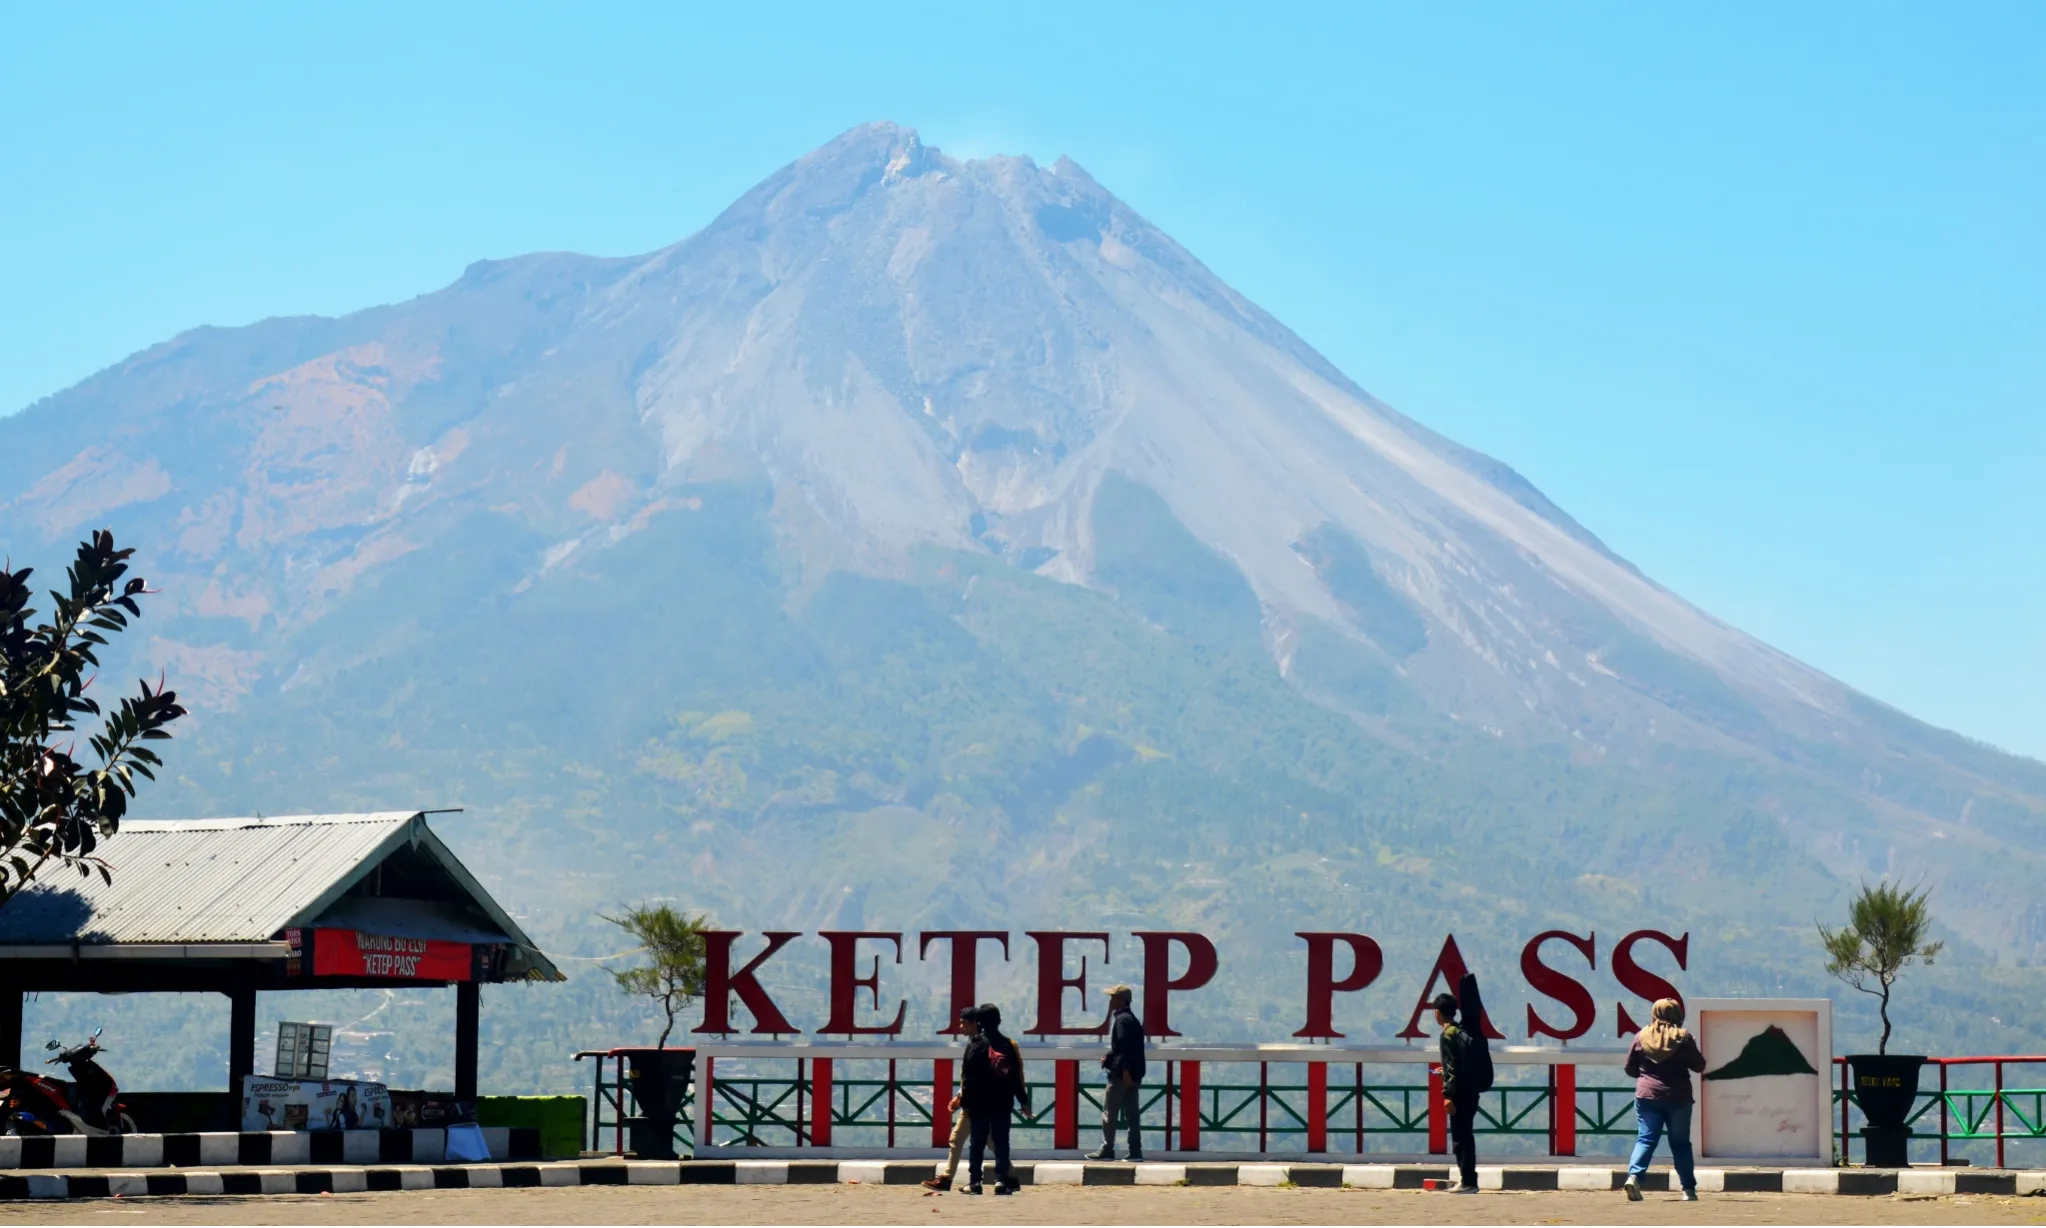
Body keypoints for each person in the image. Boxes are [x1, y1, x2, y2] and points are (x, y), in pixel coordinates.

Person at [1623, 998, 1706, 1202]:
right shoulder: (1683, 1038)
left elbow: (1629, 1068)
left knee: (1646, 1138)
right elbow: (1699, 1065)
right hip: (1678, 1097)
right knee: (1680, 1144)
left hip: (1647, 1096)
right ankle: (1688, 1189)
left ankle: (1634, 1177)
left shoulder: (1641, 1036)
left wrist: (1646, 1077)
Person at [959, 1003, 1027, 1195]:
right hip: (1002, 1103)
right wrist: (1023, 1101)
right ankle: (1001, 1182)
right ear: (999, 1021)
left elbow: (967, 1076)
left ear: (979, 1022)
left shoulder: (975, 1044)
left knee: (977, 1143)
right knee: (1002, 1143)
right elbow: (1017, 1077)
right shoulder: (1008, 1045)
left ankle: (974, 1183)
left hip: (979, 1103)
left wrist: (965, 1103)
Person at [1084, 984, 1147, 1160]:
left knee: (1109, 1112)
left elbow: (1123, 1048)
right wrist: (1109, 1056)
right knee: (1133, 1114)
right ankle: (1135, 1151)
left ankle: (1107, 1149)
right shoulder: (1132, 1019)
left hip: (1121, 1076)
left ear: (1120, 1000)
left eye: (1113, 997)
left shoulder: (1121, 1020)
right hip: (1134, 1074)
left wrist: (1124, 1072)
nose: (1110, 1001)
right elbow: (1125, 1047)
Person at [921, 1008, 976, 1192]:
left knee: (989, 1143)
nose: (961, 1027)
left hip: (976, 1104)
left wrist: (959, 1098)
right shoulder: (977, 1044)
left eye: (964, 1023)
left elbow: (972, 1078)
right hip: (974, 1103)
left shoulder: (978, 1045)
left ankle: (1007, 1176)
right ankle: (946, 1179)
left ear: (973, 1023)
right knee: (957, 1139)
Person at [1434, 992, 1480, 1195]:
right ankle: (1469, 1179)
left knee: (1460, 1139)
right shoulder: (1461, 1030)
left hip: (1459, 1094)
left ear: (1438, 1013)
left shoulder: (1447, 1034)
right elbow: (1457, 1065)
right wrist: (1444, 1071)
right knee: (1466, 1135)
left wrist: (1447, 1095)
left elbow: (1452, 1066)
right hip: (1471, 1090)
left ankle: (1468, 1181)